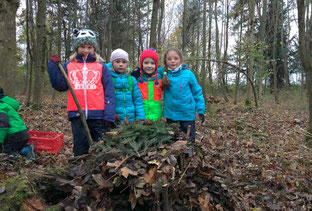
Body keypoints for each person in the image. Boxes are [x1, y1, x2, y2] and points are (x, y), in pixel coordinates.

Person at [47, 29, 115, 156]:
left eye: (89, 47)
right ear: (76, 48)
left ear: (94, 49)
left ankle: (100, 169)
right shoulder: (69, 66)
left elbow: (109, 92)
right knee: (80, 146)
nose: (86, 50)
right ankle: (79, 169)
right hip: (77, 114)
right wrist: (52, 66)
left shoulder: (101, 67)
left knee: (102, 146)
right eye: (82, 47)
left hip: (98, 115)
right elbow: (60, 85)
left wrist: (109, 115)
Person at [161, 47, 205, 142]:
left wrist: (201, 110)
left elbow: (197, 92)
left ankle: (189, 155)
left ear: (180, 60)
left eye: (175, 58)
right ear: (165, 61)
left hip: (187, 114)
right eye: (169, 59)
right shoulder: (164, 74)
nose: (173, 61)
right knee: (172, 140)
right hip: (171, 115)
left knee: (188, 140)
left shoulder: (188, 74)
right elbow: (149, 72)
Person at [106, 48, 145, 123]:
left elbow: (138, 99)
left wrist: (140, 118)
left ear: (127, 64)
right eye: (117, 61)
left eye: (124, 62)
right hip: (114, 121)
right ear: (112, 63)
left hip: (131, 120)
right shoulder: (109, 78)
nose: (121, 64)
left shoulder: (131, 80)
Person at [0, 87, 35, 158]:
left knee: (5, 153)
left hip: (14, 135)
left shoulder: (1, 107)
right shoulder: (7, 105)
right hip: (23, 134)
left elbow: (3, 125)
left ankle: (22, 153)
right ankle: (25, 150)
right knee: (13, 147)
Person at [137, 49, 163, 121]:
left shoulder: (160, 78)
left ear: (156, 65)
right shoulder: (138, 78)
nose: (149, 66)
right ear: (141, 64)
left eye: (152, 63)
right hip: (141, 113)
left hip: (156, 114)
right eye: (146, 63)